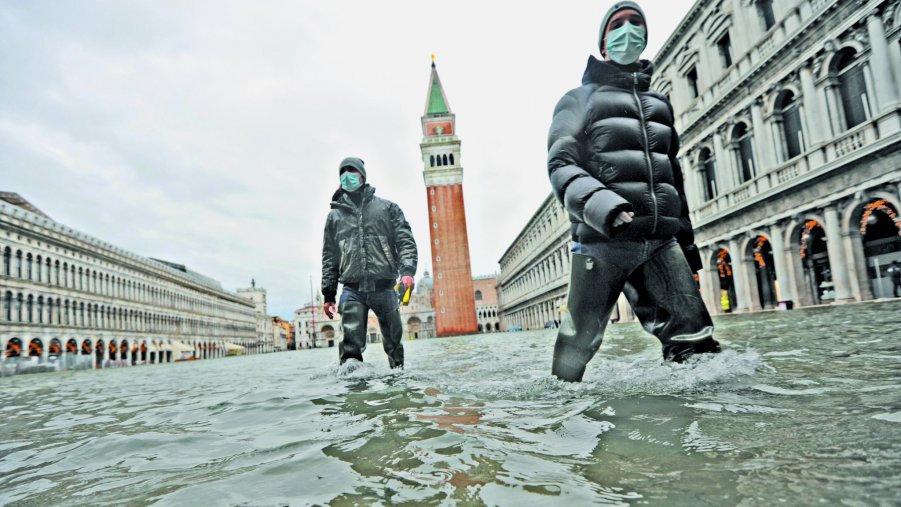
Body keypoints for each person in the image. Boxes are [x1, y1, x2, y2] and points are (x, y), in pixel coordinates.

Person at [546, 1, 721, 382]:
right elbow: (561, 164)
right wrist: (605, 207)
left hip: (661, 241)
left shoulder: (660, 105)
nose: (629, 30)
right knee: (577, 346)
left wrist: (687, 249)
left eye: (636, 23)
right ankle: (561, 421)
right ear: (604, 42)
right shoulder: (578, 99)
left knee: (697, 344)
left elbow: (673, 177)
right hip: (602, 240)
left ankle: (704, 423)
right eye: (618, 24)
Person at [321, 157, 418, 369]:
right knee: (349, 350)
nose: (347, 175)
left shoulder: (388, 208)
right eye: (343, 171)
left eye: (351, 170)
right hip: (352, 288)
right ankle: (354, 393)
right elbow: (330, 257)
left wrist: (408, 271)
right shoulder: (334, 217)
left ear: (362, 175)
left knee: (394, 347)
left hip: (384, 286)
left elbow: (405, 242)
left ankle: (400, 388)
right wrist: (328, 293)